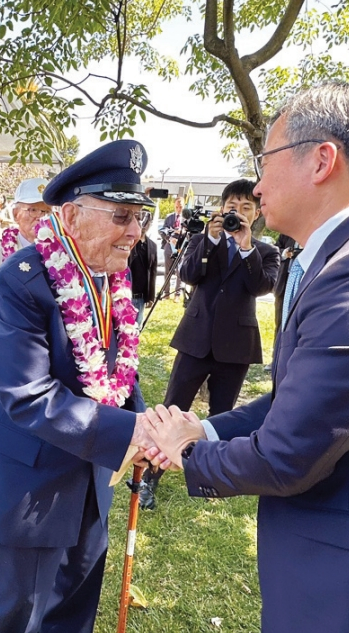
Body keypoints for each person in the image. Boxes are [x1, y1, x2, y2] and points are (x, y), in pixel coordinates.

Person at [139, 83, 349, 633]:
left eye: (265, 160)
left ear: (322, 160)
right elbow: (301, 398)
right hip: (336, 562)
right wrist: (204, 425)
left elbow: (287, 454)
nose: (255, 183)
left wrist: (189, 451)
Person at [0, 140, 159, 633]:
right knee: (21, 616)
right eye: (121, 216)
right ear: (72, 217)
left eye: (141, 216)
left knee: (74, 610)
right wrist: (131, 434)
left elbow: (119, 371)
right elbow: (29, 397)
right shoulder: (21, 282)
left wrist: (141, 422)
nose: (135, 231)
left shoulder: (109, 275)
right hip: (31, 486)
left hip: (93, 476)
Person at [140, 179, 280, 509]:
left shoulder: (265, 250)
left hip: (236, 344)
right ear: (222, 207)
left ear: (256, 212)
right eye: (232, 206)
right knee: (174, 406)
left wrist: (245, 246)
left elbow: (262, 286)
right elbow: (188, 275)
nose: (238, 212)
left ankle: (213, 478)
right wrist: (210, 238)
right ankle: (150, 477)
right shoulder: (205, 240)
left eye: (246, 207)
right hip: (196, 337)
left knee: (222, 414)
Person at [0, 178, 50, 374]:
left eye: (45, 211)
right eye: (32, 210)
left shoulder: (63, 256)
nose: (40, 217)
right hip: (7, 354)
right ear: (16, 214)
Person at [128, 212, 158, 317]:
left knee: (137, 328)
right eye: (141, 220)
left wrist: (151, 297)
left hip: (140, 297)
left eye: (147, 222)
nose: (144, 225)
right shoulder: (127, 242)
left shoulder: (152, 246)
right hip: (126, 295)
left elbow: (153, 272)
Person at [159, 197, 186, 299]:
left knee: (179, 270)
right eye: (177, 207)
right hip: (169, 245)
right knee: (167, 270)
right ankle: (166, 293)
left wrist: (183, 233)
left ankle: (177, 294)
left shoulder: (187, 219)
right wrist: (169, 238)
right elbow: (162, 230)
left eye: (181, 207)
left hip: (181, 246)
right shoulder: (169, 217)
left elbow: (192, 234)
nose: (178, 209)